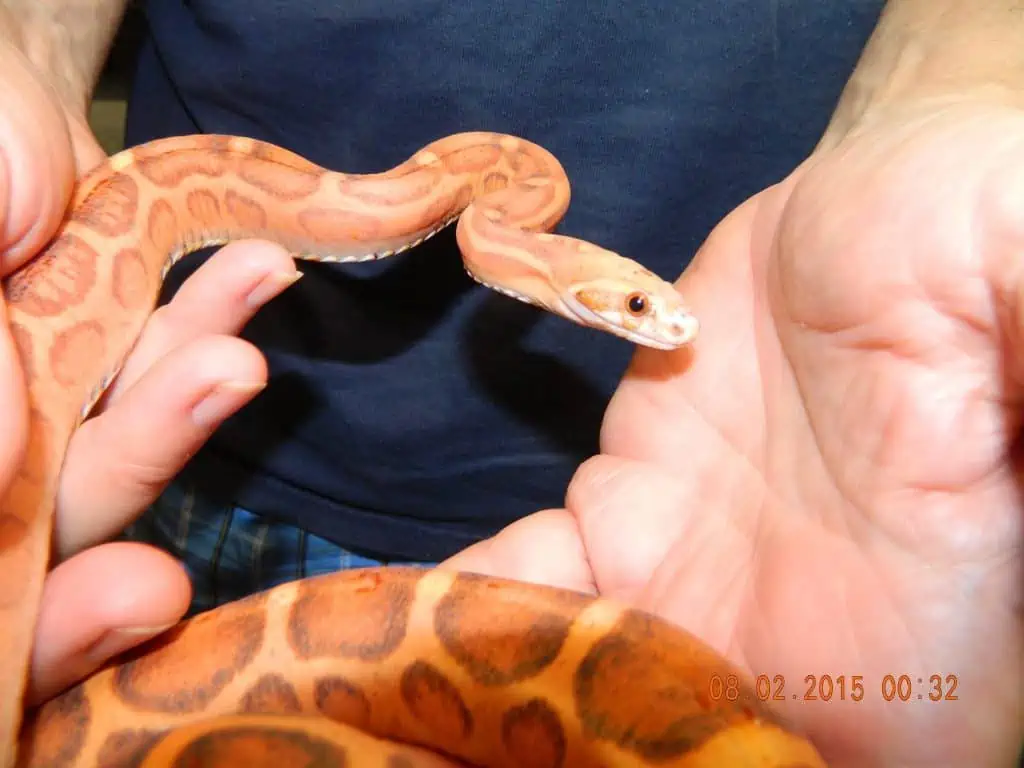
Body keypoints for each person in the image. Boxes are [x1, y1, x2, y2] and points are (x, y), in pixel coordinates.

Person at [2, 0, 1021, 766]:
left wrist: (952, 91)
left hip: (665, 504)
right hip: (217, 472)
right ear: (559, 285)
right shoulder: (491, 212)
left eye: (638, 305)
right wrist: (29, 50)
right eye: (628, 308)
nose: (657, 320)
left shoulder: (516, 209)